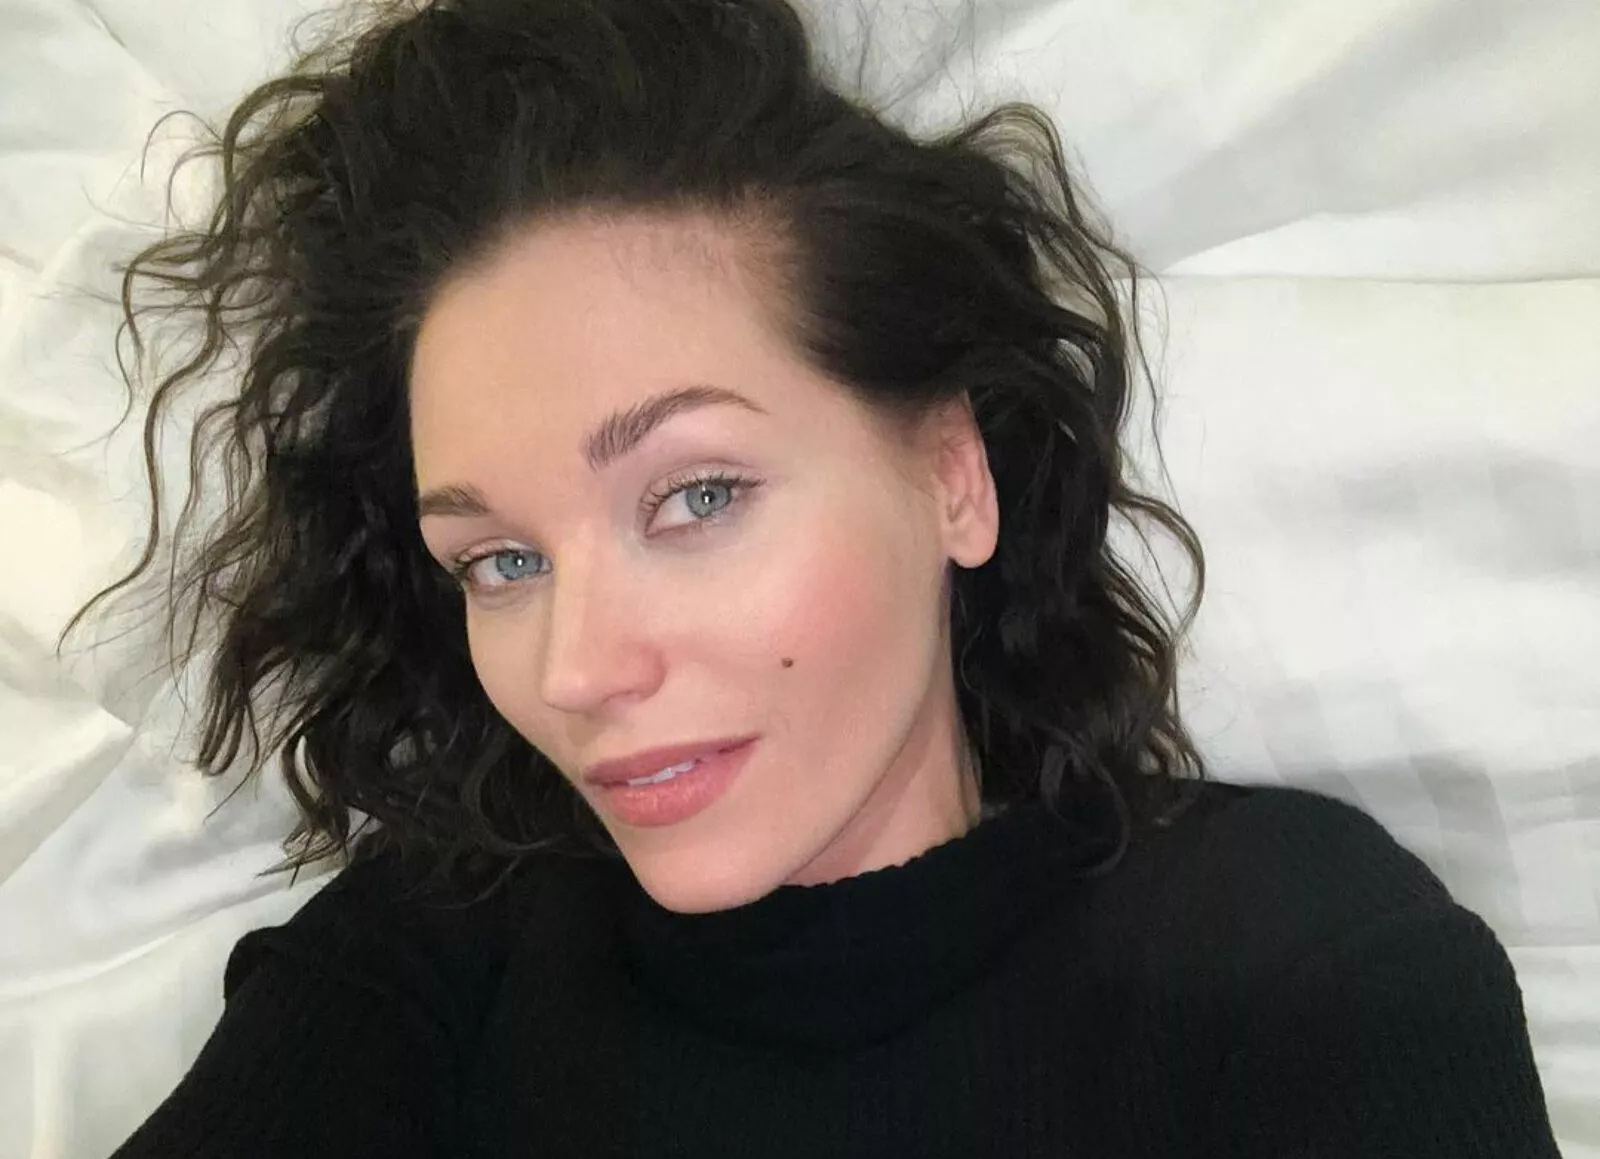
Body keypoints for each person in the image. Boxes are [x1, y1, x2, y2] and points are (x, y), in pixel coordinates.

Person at [71, 0, 1561, 1154]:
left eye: (697, 496)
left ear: (953, 474)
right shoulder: (433, 952)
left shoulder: (1302, 962)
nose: (577, 669)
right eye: (501, 560)